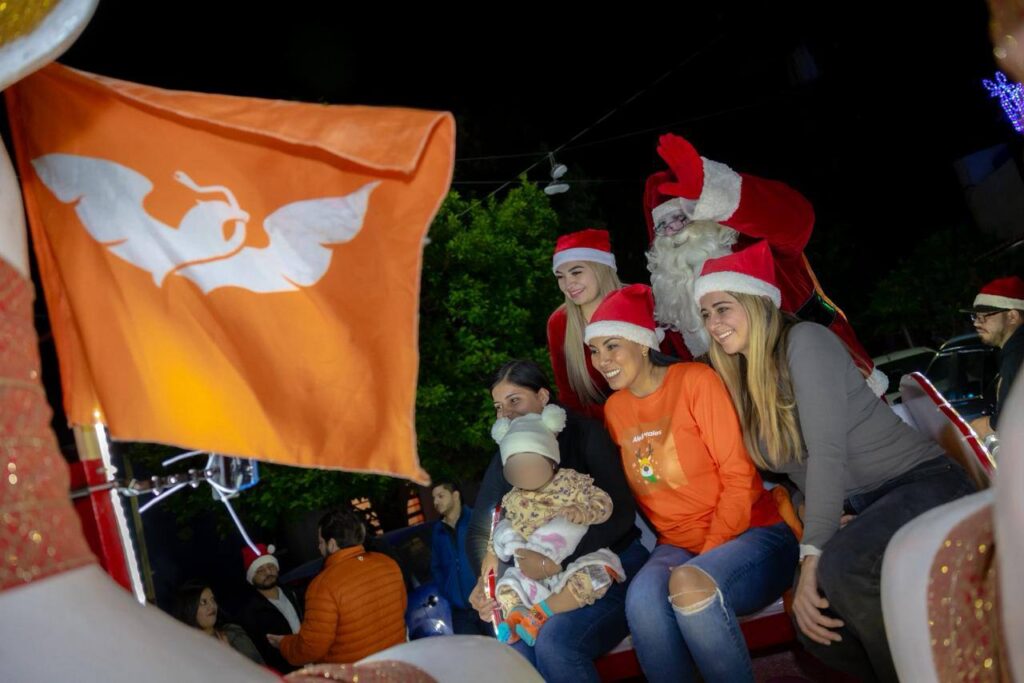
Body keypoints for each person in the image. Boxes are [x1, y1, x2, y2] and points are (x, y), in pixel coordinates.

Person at [695, 241, 976, 682]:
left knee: (838, 571)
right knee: (814, 627)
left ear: (756, 302)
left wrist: (811, 558)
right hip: (862, 505)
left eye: (723, 308)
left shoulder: (805, 341)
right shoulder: (747, 382)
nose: (713, 323)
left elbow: (828, 452)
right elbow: (799, 473)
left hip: (921, 484)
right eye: (706, 314)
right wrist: (814, 511)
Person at [586, 283, 797, 683]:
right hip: (678, 544)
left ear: (642, 343)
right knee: (642, 601)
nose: (601, 361)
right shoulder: (615, 409)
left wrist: (706, 555)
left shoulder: (695, 381)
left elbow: (738, 477)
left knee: (688, 585)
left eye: (612, 346)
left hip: (752, 532)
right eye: (595, 351)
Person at [642, 132, 885, 394]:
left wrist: (714, 191)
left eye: (683, 218)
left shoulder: (758, 248)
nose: (676, 232)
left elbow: (797, 218)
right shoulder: (672, 307)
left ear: (704, 214)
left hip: (835, 384)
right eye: (664, 226)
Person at [467, 360, 648, 683]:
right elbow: (483, 528)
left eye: (515, 401)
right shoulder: (508, 457)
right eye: (498, 407)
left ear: (543, 397)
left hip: (609, 567)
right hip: (541, 581)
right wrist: (486, 583)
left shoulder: (585, 434)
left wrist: (555, 560)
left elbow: (620, 514)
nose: (506, 414)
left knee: (555, 642)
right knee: (513, 649)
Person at [489, 405, 624, 646]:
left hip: (572, 559)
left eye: (530, 461)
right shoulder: (513, 498)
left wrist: (582, 512)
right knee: (507, 586)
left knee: (596, 574)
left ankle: (543, 612)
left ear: (551, 462)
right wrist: (505, 539)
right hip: (531, 567)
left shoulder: (570, 482)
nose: (525, 471)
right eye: (516, 465)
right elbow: (500, 533)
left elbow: (604, 502)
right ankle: (516, 615)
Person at [268, 508, 407, 665]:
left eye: (320, 542)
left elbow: (311, 648)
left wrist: (284, 644)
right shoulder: (387, 563)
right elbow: (401, 608)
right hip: (395, 666)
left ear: (332, 544)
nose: (318, 548)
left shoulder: (323, 586)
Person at [547, 229, 624, 420]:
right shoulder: (559, 323)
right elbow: (570, 397)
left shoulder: (639, 299)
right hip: (598, 430)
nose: (568, 283)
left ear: (601, 267)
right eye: (560, 276)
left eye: (576, 272)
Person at [961, 275, 1024, 440]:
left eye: (984, 316)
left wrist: (991, 425)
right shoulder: (1011, 354)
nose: (976, 323)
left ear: (1012, 316)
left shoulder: (1018, 357)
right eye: (975, 316)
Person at [239, 543, 304, 672]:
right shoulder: (251, 613)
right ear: (252, 578)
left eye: (271, 566)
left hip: (313, 662)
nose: (268, 573)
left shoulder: (293, 593)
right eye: (261, 570)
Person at [429, 481, 483, 634]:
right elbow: (436, 566)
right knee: (472, 657)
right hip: (460, 612)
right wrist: (448, 592)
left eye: (440, 496)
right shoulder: (438, 531)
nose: (435, 502)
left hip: (486, 602)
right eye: (433, 498)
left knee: (502, 651)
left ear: (455, 495)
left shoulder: (476, 520)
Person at [173, 580, 265, 665]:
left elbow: (260, 670)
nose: (212, 606)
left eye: (212, 599)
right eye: (203, 602)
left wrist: (231, 657)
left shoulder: (233, 633)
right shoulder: (186, 651)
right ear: (189, 609)